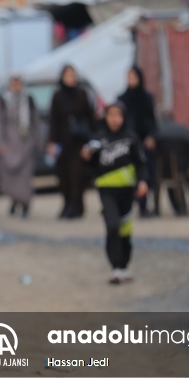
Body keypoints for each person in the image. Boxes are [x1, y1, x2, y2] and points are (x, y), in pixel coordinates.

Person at [81, 103, 149, 284]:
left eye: (118, 115)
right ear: (106, 117)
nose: (115, 119)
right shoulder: (98, 140)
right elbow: (89, 167)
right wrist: (86, 157)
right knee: (112, 226)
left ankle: (125, 266)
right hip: (106, 190)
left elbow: (141, 163)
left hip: (127, 190)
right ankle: (115, 267)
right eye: (111, 115)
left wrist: (142, 181)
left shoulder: (131, 138)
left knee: (125, 231)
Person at [49, 65, 94, 219]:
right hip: (63, 143)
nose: (70, 78)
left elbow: (90, 118)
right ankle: (67, 204)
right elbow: (53, 120)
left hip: (79, 142)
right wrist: (52, 142)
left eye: (72, 75)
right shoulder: (58, 96)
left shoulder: (82, 94)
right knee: (64, 176)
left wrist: (91, 142)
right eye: (67, 75)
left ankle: (76, 205)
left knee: (77, 176)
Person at [0, 75, 41, 218]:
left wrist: (37, 142)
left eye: (18, 83)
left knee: (25, 177)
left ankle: (25, 204)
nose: (16, 86)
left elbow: (36, 123)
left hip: (25, 144)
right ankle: (15, 200)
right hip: (9, 145)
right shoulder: (4, 100)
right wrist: (0, 142)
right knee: (11, 177)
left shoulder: (28, 100)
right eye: (13, 83)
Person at [118, 66, 158, 217]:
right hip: (127, 142)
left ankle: (143, 206)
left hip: (143, 141)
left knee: (144, 173)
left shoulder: (146, 98)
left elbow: (152, 120)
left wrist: (151, 136)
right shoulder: (122, 99)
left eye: (133, 77)